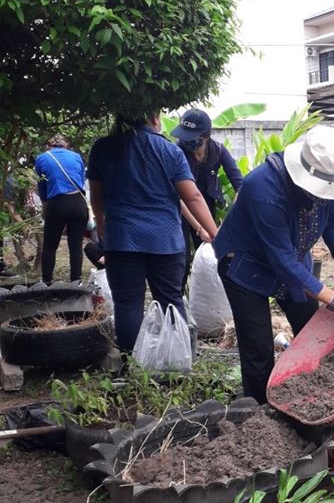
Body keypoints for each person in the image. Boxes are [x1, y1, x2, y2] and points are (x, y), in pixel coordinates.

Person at [214, 124, 334, 404]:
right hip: (245, 266)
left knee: (313, 330)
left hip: (292, 260)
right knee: (259, 351)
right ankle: (261, 415)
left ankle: (313, 398)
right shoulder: (263, 187)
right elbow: (283, 261)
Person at [87, 114, 218, 354]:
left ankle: (131, 364)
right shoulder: (168, 150)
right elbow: (192, 196)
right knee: (171, 300)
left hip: (122, 238)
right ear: (153, 118)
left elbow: (96, 195)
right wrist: (215, 233)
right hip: (165, 240)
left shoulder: (102, 147)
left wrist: (101, 223)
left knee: (128, 304)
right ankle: (180, 358)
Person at [170, 108, 243, 285]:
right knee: (182, 262)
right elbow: (176, 195)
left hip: (205, 208)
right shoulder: (176, 151)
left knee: (216, 258)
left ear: (205, 136)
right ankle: (177, 307)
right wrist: (198, 227)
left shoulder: (218, 151)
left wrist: (228, 220)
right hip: (180, 212)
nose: (185, 141)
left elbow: (241, 185)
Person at [34, 133, 89, 284]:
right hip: (78, 203)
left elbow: (42, 186)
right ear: (66, 146)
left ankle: (47, 281)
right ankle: (76, 281)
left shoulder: (42, 158)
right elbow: (81, 180)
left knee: (50, 246)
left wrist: (46, 207)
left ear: (49, 146)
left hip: (56, 203)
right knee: (76, 245)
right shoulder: (76, 156)